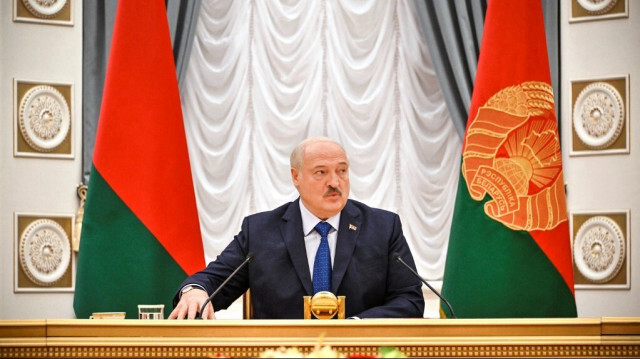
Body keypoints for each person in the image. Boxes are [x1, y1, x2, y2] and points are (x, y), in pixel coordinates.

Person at [169, 137, 424, 319]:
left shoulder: (382, 227)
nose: (334, 182)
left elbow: (409, 300)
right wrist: (195, 292)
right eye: (321, 172)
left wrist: (355, 328)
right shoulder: (259, 231)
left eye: (342, 171)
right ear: (296, 177)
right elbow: (213, 280)